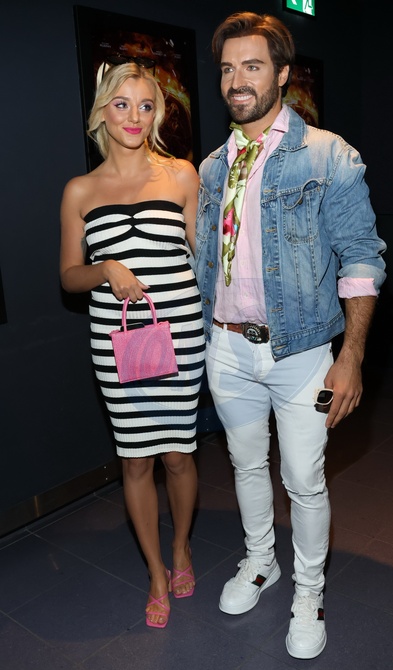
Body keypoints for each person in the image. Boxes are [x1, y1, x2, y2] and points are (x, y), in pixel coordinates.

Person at [195, 12, 386, 659]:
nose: (237, 80)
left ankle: (309, 590)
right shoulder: (213, 168)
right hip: (227, 347)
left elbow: (361, 258)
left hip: (302, 352)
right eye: (227, 68)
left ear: (282, 74)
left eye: (252, 66)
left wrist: (351, 355)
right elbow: (205, 261)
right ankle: (261, 561)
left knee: (303, 479)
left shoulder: (328, 155)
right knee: (246, 464)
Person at [60, 62, 205, 629]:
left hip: (181, 336)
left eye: (146, 105)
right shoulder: (80, 190)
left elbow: (206, 260)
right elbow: (69, 276)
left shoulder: (182, 175)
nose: (134, 117)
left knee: (179, 455)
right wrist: (105, 269)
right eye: (121, 104)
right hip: (117, 344)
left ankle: (181, 549)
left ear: (158, 113)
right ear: (102, 111)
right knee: (136, 460)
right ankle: (154, 571)